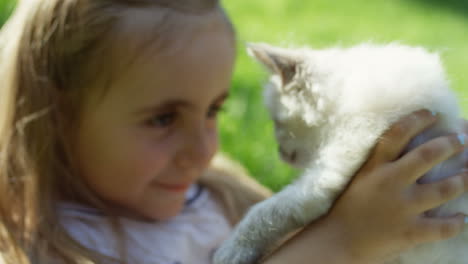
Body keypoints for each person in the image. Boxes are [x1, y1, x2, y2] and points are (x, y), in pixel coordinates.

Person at [0, 0, 466, 263]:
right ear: (55, 113)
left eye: (213, 111)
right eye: (163, 118)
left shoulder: (219, 199)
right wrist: (342, 241)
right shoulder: (44, 250)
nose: (204, 150)